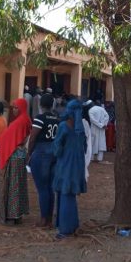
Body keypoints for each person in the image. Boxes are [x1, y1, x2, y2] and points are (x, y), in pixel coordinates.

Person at [53, 99, 87, 239]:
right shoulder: (81, 129)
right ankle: (70, 225)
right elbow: (84, 148)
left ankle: (64, 229)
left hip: (65, 164)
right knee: (70, 195)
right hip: (77, 165)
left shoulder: (63, 126)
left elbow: (57, 148)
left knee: (65, 195)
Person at [27, 94, 59, 228]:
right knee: (50, 188)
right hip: (54, 152)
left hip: (41, 153)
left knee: (42, 189)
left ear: (40, 104)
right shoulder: (58, 118)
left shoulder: (40, 118)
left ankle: (43, 219)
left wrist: (29, 154)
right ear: (52, 105)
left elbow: (33, 137)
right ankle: (49, 220)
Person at [0, 98, 31, 225]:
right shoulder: (26, 119)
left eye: (16, 107)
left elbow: (11, 139)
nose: (14, 110)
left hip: (15, 156)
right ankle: (18, 214)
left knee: (13, 185)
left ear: (22, 108)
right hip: (21, 156)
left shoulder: (19, 122)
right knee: (19, 185)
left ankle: (12, 215)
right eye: (13, 107)